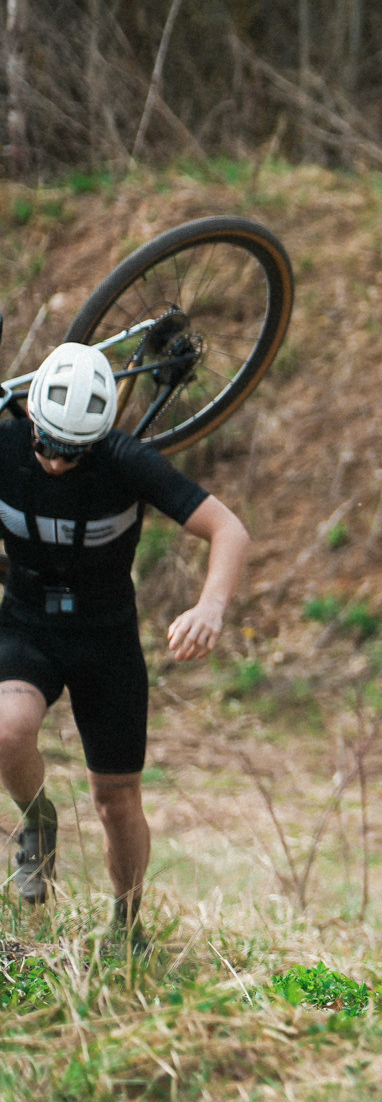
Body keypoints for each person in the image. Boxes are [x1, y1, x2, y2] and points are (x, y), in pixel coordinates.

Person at [0, 342, 251, 932]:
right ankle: (38, 821)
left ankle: (128, 924)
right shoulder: (4, 444)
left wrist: (210, 608)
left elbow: (229, 530)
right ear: (31, 416)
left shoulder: (126, 460)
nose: (56, 463)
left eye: (72, 452)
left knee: (116, 802)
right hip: (27, 623)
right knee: (7, 730)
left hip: (105, 637)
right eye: (46, 445)